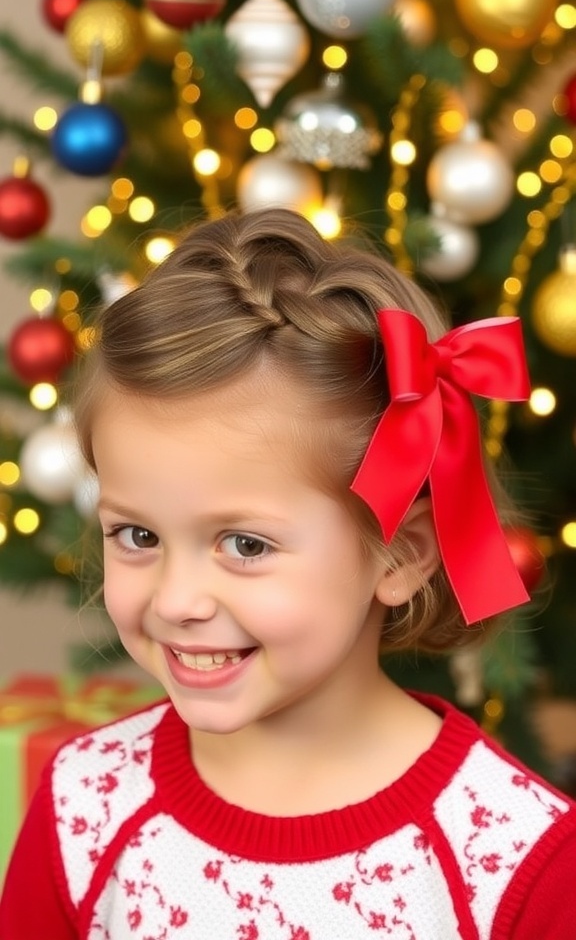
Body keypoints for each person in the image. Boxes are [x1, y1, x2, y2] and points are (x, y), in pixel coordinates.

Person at [1, 208, 575, 940]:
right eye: (137, 534)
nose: (176, 601)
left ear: (399, 555)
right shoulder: (84, 805)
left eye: (245, 546)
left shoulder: (516, 860)